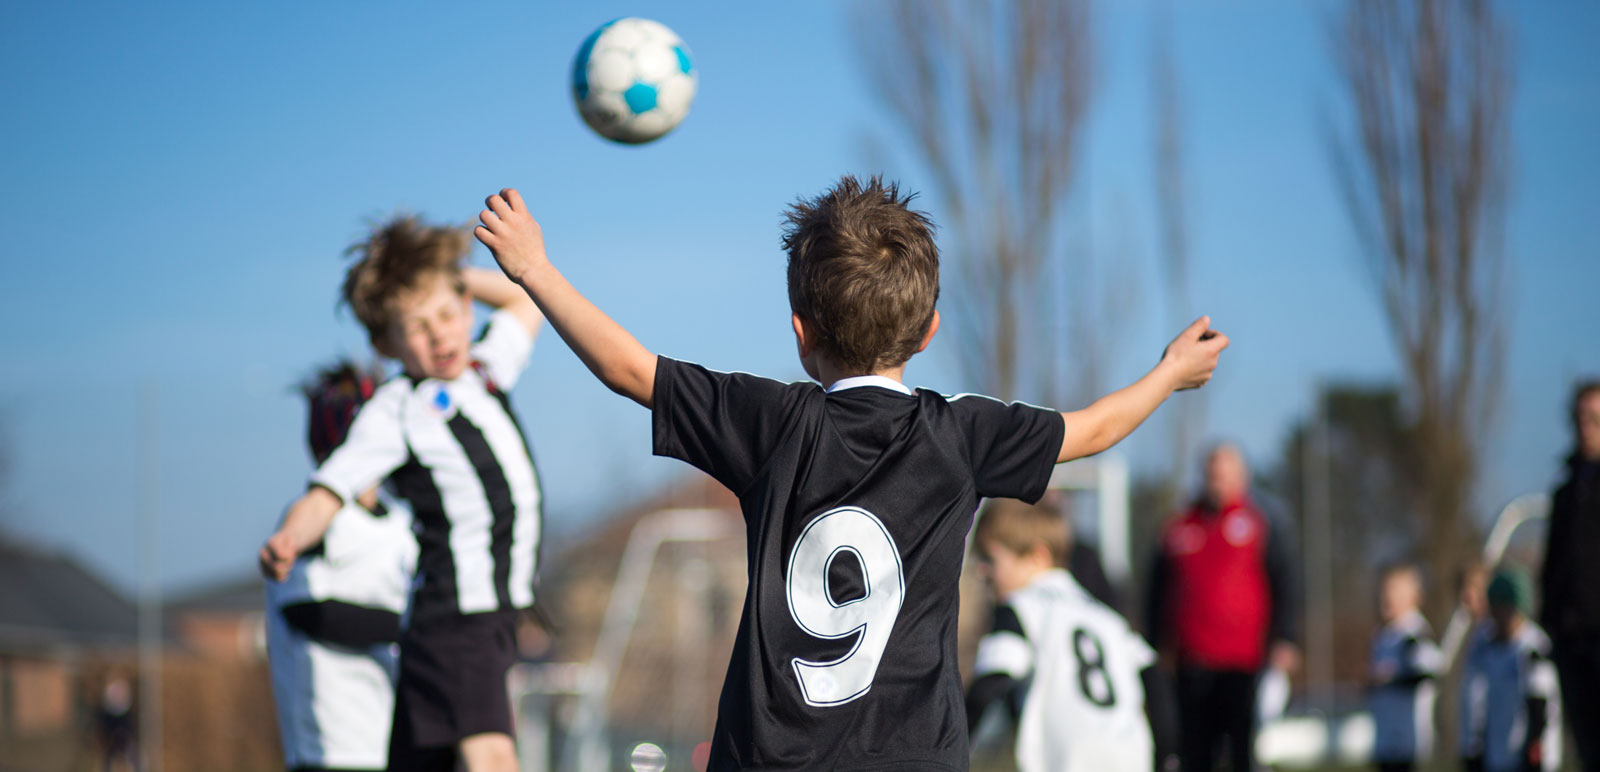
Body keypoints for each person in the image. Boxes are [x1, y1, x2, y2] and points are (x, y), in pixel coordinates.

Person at [472, 177, 1227, 770]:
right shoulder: (959, 432)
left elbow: (626, 367)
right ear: (930, 330)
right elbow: (1094, 429)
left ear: (800, 334)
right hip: (912, 755)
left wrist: (534, 268)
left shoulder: (770, 422)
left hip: (769, 754)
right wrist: (1168, 372)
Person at [260, 215, 545, 772]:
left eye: (447, 314)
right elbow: (330, 488)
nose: (440, 334)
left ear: (465, 308)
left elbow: (525, 302)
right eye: (417, 326)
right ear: (386, 342)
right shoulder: (395, 409)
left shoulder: (485, 370)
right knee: (491, 751)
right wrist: (290, 536)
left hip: (473, 624)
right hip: (459, 617)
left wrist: (449, 276)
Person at [265, 361, 418, 772]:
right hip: (328, 744)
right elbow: (306, 611)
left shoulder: (403, 522)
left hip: (390, 739)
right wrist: (410, 631)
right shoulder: (311, 521)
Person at [965, 498, 1178, 772]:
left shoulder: (1019, 609)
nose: (983, 571)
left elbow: (990, 682)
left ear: (1037, 556)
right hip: (1129, 757)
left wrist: (953, 745)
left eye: (990, 559)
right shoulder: (1107, 618)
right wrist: (1168, 756)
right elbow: (1155, 677)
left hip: (1067, 759)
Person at [1144, 443, 1299, 772]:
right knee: (1195, 753)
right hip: (1191, 664)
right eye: (1213, 475)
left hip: (1244, 665)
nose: (1219, 482)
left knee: (1243, 752)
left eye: (1226, 475)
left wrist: (1286, 638)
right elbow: (1156, 591)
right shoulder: (1179, 527)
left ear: (1242, 478)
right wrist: (1155, 644)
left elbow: (1286, 583)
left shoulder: (1260, 522)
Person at [1539, 379, 1600, 770]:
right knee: (1587, 746)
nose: (1586, 427)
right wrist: (1553, 622)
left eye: (1595, 418)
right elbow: (1555, 564)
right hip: (1571, 639)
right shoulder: (1565, 492)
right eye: (1580, 418)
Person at [1460, 569, 1562, 772]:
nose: (1500, 617)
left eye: (1506, 609)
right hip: (1498, 755)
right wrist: (1475, 747)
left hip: (1529, 757)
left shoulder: (1534, 646)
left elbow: (1539, 704)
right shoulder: (1488, 645)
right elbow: (1478, 700)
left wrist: (1534, 747)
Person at [1366, 562, 1441, 772]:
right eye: (1384, 590)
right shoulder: (1382, 636)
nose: (1387, 597)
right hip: (1385, 739)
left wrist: (1391, 680)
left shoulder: (1415, 636)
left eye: (1395, 591)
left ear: (1415, 597)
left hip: (1407, 742)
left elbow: (1429, 673)